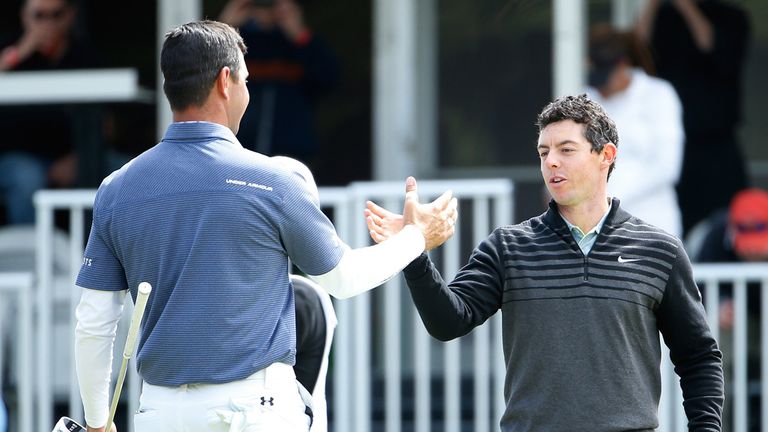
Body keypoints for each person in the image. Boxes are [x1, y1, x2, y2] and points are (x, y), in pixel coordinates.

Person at [73, 20, 457, 432]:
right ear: (225, 81)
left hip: (159, 413)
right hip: (252, 411)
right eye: (246, 80)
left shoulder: (116, 188)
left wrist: (97, 422)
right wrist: (416, 237)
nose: (247, 91)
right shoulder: (272, 180)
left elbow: (94, 322)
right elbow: (343, 278)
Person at [366, 94, 724, 431]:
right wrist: (412, 250)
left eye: (566, 150)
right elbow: (447, 323)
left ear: (606, 155)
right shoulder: (508, 246)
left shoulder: (660, 250)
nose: (551, 161)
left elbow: (699, 358)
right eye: (543, 152)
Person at [635, 0, 751, 236]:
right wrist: (651, 6)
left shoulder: (732, 16)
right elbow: (636, 53)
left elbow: (711, 45)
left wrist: (686, 6)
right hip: (668, 143)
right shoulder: (663, 17)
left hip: (716, 144)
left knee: (724, 223)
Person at [0, 0, 100, 224]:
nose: (48, 23)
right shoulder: (9, 47)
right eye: (39, 15)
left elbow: (108, 120)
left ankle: (106, 256)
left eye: (57, 15)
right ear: (24, 16)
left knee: (128, 172)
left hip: (73, 156)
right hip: (15, 158)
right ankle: (31, 257)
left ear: (71, 16)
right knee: (27, 178)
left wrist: (80, 157)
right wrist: (22, 51)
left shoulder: (83, 54)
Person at [586, 24, 685, 238]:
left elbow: (667, 166)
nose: (601, 87)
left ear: (623, 65)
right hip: (596, 225)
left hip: (652, 221)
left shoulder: (658, 95)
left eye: (606, 77)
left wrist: (610, 196)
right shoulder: (587, 98)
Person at [218, 0, 338, 164]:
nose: (266, 8)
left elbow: (330, 78)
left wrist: (300, 35)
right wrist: (223, 31)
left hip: (292, 152)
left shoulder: (301, 43)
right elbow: (201, 81)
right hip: (239, 150)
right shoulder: (233, 44)